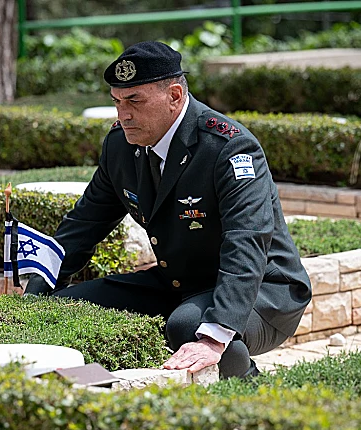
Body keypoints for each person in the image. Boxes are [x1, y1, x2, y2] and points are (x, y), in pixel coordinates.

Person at [23, 41, 312, 379]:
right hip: (180, 282)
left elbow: (247, 240)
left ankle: (248, 390)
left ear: (175, 96)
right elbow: (82, 225)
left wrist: (214, 335)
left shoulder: (228, 147)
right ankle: (99, 390)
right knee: (68, 307)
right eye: (117, 101)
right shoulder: (120, 145)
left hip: (264, 289)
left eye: (135, 101)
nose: (123, 114)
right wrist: (34, 298)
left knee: (190, 325)